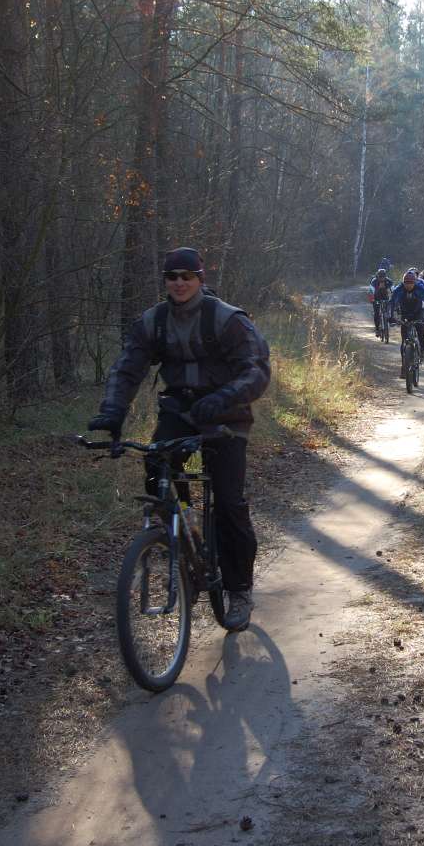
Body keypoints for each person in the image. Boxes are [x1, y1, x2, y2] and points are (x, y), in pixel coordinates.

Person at [87, 247, 271, 632]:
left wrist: (223, 398)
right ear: (165, 281)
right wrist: (113, 412)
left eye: (187, 276)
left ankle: (239, 589)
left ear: (200, 278)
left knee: (228, 501)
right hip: (181, 417)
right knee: (158, 467)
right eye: (172, 277)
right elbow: (127, 368)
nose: (179, 283)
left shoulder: (226, 319)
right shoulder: (153, 322)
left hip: (226, 420)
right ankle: (184, 529)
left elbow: (256, 371)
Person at [389, 269, 424, 376]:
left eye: (411, 283)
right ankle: (404, 365)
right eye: (406, 283)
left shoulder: (420, 288)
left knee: (420, 329)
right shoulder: (399, 289)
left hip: (418, 313)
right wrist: (391, 316)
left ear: (414, 282)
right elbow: (392, 302)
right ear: (403, 282)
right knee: (404, 341)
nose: (408, 285)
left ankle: (423, 348)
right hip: (405, 314)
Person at [368, 267, 392, 333]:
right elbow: (371, 291)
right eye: (380, 276)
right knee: (376, 313)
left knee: (388, 312)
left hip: (385, 297)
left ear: (385, 276)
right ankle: (377, 328)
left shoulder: (389, 281)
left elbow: (393, 290)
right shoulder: (374, 281)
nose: (381, 278)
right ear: (377, 276)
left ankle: (388, 322)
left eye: (383, 276)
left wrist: (392, 298)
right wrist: (372, 299)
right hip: (376, 298)